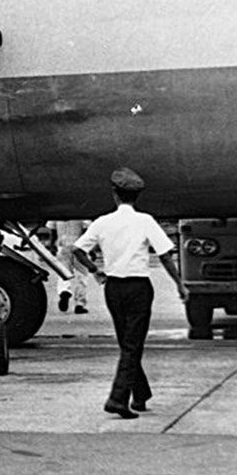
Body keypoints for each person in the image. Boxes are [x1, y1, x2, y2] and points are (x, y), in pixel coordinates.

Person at [72, 168, 188, 420]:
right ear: (136, 196)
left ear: (115, 194)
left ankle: (141, 393)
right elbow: (165, 255)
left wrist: (95, 270)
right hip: (139, 288)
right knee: (133, 345)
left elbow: (78, 250)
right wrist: (179, 284)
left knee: (127, 343)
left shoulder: (102, 222)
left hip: (113, 288)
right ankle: (118, 399)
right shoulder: (145, 221)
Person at [51, 219, 90, 314]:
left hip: (62, 245)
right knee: (82, 274)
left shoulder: (57, 212)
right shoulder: (81, 212)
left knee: (63, 272)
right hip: (79, 246)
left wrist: (52, 244)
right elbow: (86, 230)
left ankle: (64, 290)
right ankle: (79, 304)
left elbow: (52, 229)